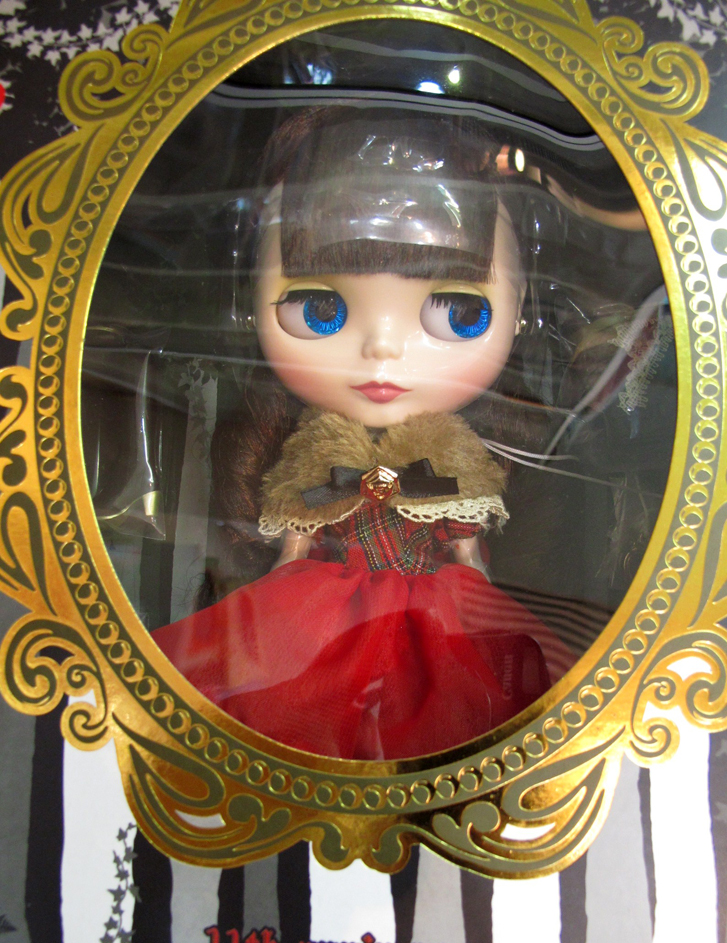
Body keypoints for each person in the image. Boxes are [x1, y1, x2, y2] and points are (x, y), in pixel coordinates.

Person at [152, 107, 575, 760]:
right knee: (289, 710)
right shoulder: (319, 451)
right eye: (321, 308)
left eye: (458, 311)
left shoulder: (452, 456)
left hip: (435, 602)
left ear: (522, 310)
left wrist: (479, 586)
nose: (381, 348)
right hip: (325, 598)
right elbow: (299, 526)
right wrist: (276, 588)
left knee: (459, 710)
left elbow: (464, 540)